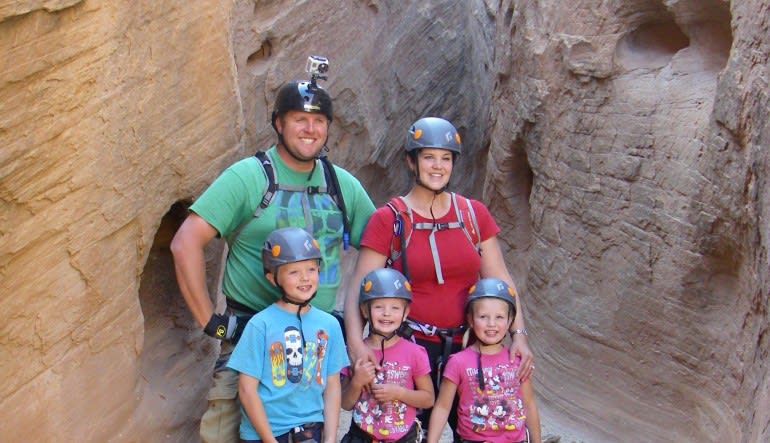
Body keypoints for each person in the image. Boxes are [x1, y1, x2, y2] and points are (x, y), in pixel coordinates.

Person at [170, 72, 374, 442]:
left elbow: (378, 247)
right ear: (279, 124)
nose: (310, 129)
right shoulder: (248, 177)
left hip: (315, 340)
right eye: (300, 119)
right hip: (250, 334)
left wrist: (360, 329)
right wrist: (211, 322)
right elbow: (185, 243)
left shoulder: (341, 185)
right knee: (224, 432)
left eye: (319, 121)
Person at [344, 117, 534, 437]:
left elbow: (501, 281)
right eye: (429, 156)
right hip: (410, 350)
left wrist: (519, 335)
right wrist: (355, 343)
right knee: (397, 432)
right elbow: (358, 290)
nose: (437, 166)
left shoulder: (472, 215)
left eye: (446, 158)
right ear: (411, 161)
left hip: (469, 347)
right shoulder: (388, 220)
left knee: (478, 432)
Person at [227, 227, 347, 443]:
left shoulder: (330, 325)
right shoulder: (260, 325)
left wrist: (330, 439)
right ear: (272, 278)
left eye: (311, 269)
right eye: (293, 272)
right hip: (264, 434)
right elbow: (246, 389)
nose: (305, 278)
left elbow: (332, 386)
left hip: (311, 432)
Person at [427, 278, 541, 443]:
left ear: (510, 321)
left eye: (499, 317)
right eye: (483, 317)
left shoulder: (516, 360)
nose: (491, 324)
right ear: (471, 319)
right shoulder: (458, 362)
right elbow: (443, 407)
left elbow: (529, 404)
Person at [340, 268, 434, 443]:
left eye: (395, 308)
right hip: (361, 437)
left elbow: (428, 399)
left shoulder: (415, 352)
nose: (387, 313)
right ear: (365, 310)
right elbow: (345, 404)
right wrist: (356, 382)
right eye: (378, 306)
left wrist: (399, 393)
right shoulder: (356, 351)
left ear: (406, 312)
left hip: (403, 438)